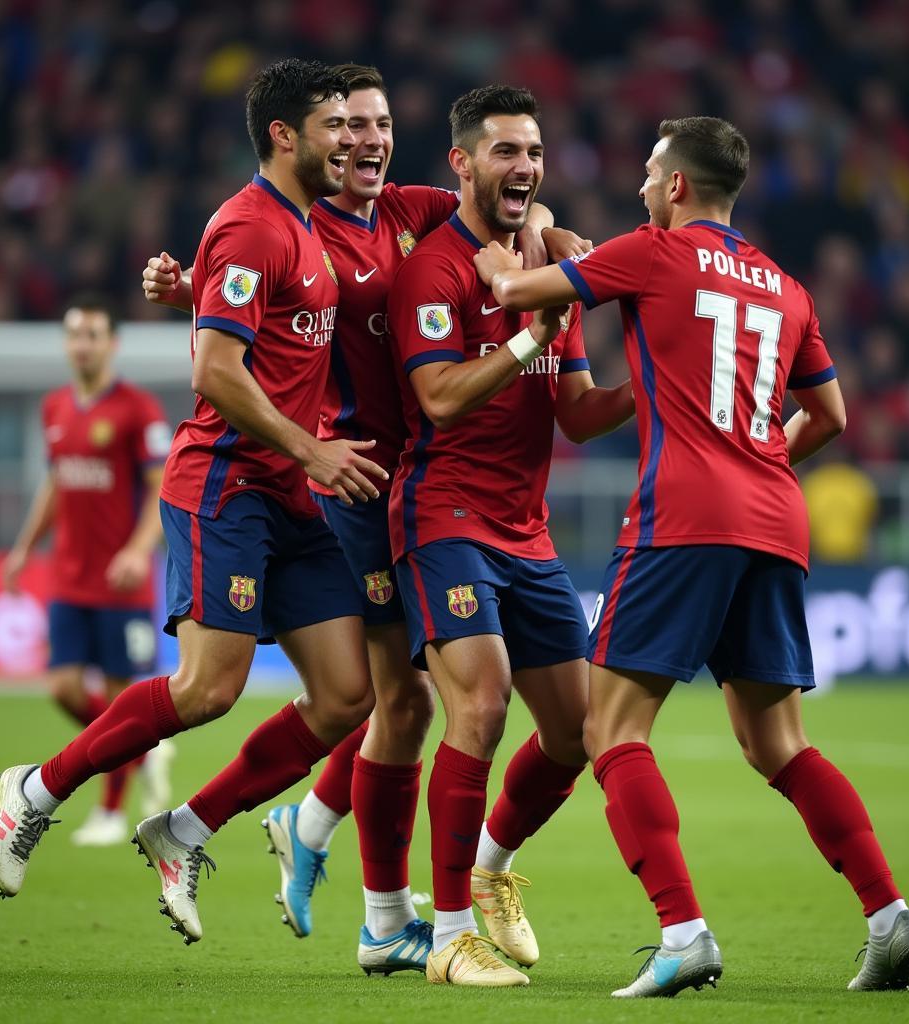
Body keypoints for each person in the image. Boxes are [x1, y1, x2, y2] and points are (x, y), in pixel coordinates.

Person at [141, 64, 589, 975]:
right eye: (345, 126)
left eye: (377, 124)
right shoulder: (299, 224)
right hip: (356, 479)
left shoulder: (405, 214)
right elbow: (258, 292)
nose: (361, 140)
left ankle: (309, 834)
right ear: (312, 140)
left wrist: (549, 235)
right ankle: (381, 910)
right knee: (408, 699)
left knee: (407, 701)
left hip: (402, 475)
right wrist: (194, 282)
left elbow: (517, 210)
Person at [473, 115, 909, 997]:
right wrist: (758, 466)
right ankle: (887, 914)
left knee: (609, 729)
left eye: (651, 173)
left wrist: (525, 249)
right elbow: (830, 416)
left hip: (683, 517)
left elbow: (510, 293)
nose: (645, 187)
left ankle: (682, 931)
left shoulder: (652, 252)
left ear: (677, 185)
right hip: (776, 518)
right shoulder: (789, 287)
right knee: (779, 744)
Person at [0, 59, 391, 948]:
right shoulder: (251, 225)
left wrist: (194, 295)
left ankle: (184, 830)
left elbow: (265, 334)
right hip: (228, 486)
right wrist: (313, 446)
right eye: (335, 125)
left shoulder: (303, 226)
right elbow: (216, 370)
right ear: (287, 136)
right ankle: (37, 790)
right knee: (210, 689)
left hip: (293, 496)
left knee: (344, 697)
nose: (352, 140)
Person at [387, 85, 634, 987]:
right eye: (504, 151)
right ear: (462, 162)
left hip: (524, 531)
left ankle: (487, 871)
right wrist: (534, 335)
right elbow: (441, 398)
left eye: (532, 149)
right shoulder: (435, 270)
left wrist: (657, 382)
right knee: (481, 707)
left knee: (578, 732)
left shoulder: (545, 260)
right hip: (442, 513)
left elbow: (577, 413)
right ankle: (449, 934)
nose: (524, 165)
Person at [1, 295, 173, 846]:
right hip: (69, 577)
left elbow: (159, 492)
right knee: (64, 688)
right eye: (75, 334)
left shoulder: (137, 410)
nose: (82, 344)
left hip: (120, 581)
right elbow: (55, 484)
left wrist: (137, 549)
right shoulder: (54, 408)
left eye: (93, 334)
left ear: (111, 343)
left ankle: (110, 812)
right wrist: (25, 547)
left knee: (123, 697)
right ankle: (141, 750)